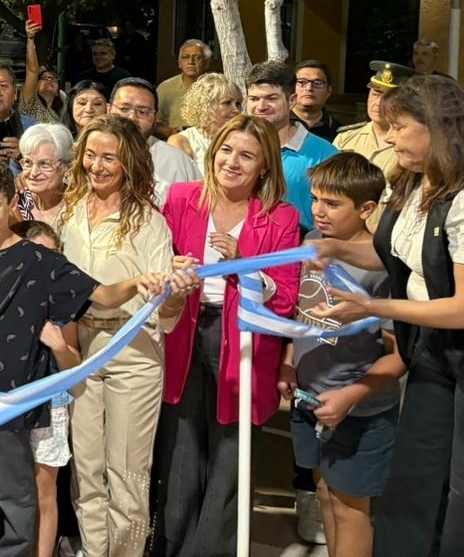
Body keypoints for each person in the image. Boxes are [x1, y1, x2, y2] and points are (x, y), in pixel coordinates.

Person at [0, 159, 164, 557]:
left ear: (13, 202)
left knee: (16, 491)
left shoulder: (41, 262)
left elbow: (102, 295)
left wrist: (138, 282)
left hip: (14, 396)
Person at [309, 74, 464, 556]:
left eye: (398, 125)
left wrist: (373, 306)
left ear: (436, 128)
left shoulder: (460, 200)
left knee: (457, 490)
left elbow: (460, 308)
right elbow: (398, 257)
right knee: (413, 481)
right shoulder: (413, 183)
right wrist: (340, 249)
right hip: (431, 355)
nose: (389, 135)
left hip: (455, 348)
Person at [154, 114, 301, 557]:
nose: (232, 162)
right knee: (181, 444)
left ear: (264, 167)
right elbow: (156, 264)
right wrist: (170, 269)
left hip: (243, 340)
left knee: (230, 451)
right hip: (184, 331)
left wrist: (246, 261)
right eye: (226, 151)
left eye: (247, 156)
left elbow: (287, 293)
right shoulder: (181, 198)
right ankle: (172, 546)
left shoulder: (281, 218)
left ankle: (212, 550)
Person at [58, 114, 175, 557]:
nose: (98, 165)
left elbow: (165, 307)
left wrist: (172, 292)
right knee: (86, 470)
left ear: (130, 162)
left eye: (110, 157)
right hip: (81, 350)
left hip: (134, 352)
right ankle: (93, 551)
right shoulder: (68, 209)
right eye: (91, 154)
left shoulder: (149, 222)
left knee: (127, 472)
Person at [275, 153, 401, 557]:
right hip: (311, 398)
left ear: (366, 208)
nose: (318, 211)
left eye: (332, 203)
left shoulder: (384, 268)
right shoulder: (311, 242)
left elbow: (400, 356)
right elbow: (304, 314)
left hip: (360, 408)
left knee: (351, 508)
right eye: (314, 199)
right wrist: (289, 361)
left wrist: (352, 395)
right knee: (326, 492)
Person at [18, 220, 78, 557]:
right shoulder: (3, 294)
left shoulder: (65, 304)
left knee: (44, 489)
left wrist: (58, 346)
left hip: (51, 405)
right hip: (12, 406)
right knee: (14, 489)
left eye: (52, 255)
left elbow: (73, 367)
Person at [245, 60, 339, 231]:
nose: (261, 106)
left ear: (292, 100)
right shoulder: (234, 149)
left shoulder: (326, 155)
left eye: (271, 98)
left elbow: (336, 220)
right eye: (254, 99)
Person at [110, 77, 200, 204]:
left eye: (143, 112)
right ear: (108, 110)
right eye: (124, 109)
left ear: (156, 117)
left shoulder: (177, 162)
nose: (132, 117)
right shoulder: (88, 155)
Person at [332, 61, 409, 180]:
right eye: (376, 94)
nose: (378, 103)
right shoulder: (345, 138)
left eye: (388, 97)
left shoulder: (411, 145)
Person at [167, 72, 244, 176]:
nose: (236, 110)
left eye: (238, 104)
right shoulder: (181, 142)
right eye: (227, 102)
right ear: (206, 105)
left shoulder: (243, 140)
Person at [15, 123, 75, 228]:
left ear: (66, 167)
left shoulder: (78, 208)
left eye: (44, 164)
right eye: (28, 162)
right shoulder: (15, 204)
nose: (33, 173)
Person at [155, 40, 212, 138]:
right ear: (179, 63)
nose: (191, 62)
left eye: (197, 57)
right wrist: (171, 133)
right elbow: (152, 122)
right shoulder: (165, 88)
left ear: (207, 63)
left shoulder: (216, 88)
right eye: (185, 57)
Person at [21, 20, 65, 124]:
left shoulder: (59, 112)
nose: (49, 80)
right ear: (35, 85)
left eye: (54, 79)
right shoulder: (30, 103)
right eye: (44, 78)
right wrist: (30, 39)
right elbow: (32, 71)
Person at [293, 60, 343, 142]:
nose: (309, 88)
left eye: (317, 83)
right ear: (291, 88)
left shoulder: (340, 133)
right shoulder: (276, 124)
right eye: (302, 82)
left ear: (328, 91)